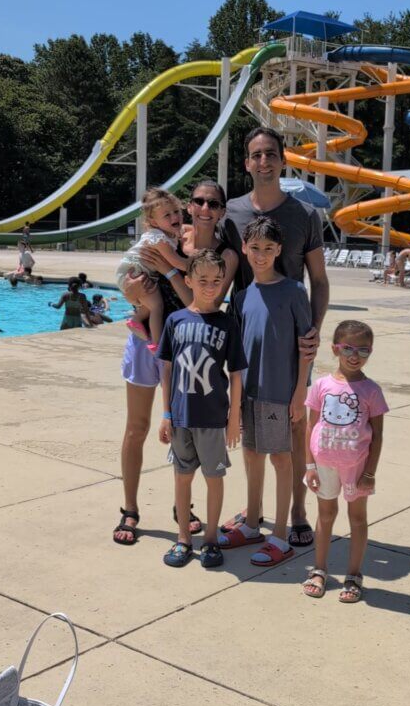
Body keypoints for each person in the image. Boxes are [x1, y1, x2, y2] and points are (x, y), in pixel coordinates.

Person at [113, 179, 239, 546]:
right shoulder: (171, 236)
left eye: (213, 203)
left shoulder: (223, 254)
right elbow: (132, 281)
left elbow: (203, 303)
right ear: (189, 206)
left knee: (187, 431)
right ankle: (130, 508)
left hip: (188, 347)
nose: (205, 208)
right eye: (198, 201)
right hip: (146, 341)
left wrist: (170, 271)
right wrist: (134, 293)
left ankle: (182, 508)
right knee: (137, 427)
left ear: (222, 210)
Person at [221, 127, 329, 547]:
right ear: (246, 163)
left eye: (271, 154)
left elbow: (319, 279)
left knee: (294, 426)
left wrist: (313, 329)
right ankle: (254, 511)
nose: (263, 161)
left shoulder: (304, 214)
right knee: (250, 430)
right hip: (248, 336)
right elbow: (217, 266)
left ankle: (297, 511)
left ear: (283, 161)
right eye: (256, 154)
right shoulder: (232, 213)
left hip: (291, 339)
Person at [221, 217, 312, 565]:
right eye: (255, 248)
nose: (261, 255)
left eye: (268, 248)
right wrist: (234, 401)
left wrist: (299, 394)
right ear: (244, 248)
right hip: (249, 392)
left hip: (279, 392)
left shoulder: (294, 291)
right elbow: (235, 354)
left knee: (280, 458)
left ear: (279, 250)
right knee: (251, 454)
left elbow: (306, 348)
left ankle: (281, 536)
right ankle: (251, 525)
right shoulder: (241, 297)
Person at [155, 249, 245, 568]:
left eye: (216, 281)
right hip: (180, 418)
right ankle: (183, 538)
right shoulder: (175, 320)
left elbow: (236, 374)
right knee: (182, 477)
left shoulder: (227, 323)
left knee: (213, 477)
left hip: (213, 418)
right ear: (189, 280)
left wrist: (233, 418)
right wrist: (165, 414)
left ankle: (209, 539)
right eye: (203, 279)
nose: (210, 286)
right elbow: (166, 370)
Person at [302, 320, 388, 603]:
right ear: (335, 349)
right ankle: (319, 569)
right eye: (348, 348)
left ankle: (353, 575)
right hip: (324, 463)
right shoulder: (321, 385)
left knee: (357, 518)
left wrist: (370, 472)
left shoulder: (371, 390)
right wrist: (310, 466)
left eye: (363, 350)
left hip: (357, 466)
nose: (355, 356)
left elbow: (377, 435)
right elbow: (311, 426)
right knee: (325, 515)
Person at [116, 188, 189, 351]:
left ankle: (136, 320)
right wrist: (196, 261)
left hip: (136, 272)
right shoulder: (159, 238)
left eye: (176, 211)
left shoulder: (168, 232)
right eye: (167, 215)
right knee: (157, 306)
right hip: (135, 272)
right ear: (154, 222)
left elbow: (187, 228)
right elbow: (178, 263)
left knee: (151, 303)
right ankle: (156, 343)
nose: (174, 217)